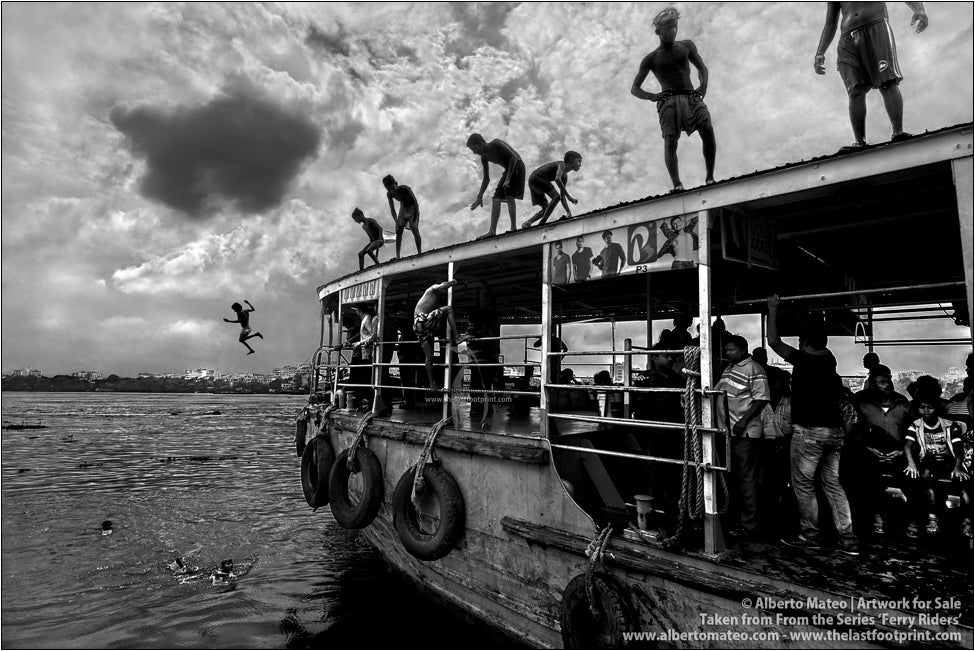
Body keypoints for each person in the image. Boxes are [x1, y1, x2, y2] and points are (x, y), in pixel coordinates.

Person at [767, 295, 859, 555]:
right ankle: (847, 538)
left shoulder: (805, 362)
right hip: (835, 433)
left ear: (804, 343)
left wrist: (773, 309)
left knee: (803, 484)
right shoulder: (830, 362)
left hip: (809, 432)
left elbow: (773, 341)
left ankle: (810, 535)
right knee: (833, 484)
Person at [814, 2, 929, 150]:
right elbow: (830, 24)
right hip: (847, 39)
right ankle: (860, 141)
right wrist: (820, 52)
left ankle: (898, 131)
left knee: (887, 82)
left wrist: (919, 9)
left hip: (876, 27)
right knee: (855, 90)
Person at [630, 7, 716, 192]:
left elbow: (702, 68)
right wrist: (652, 96)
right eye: (668, 27)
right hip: (668, 101)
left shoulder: (686, 46)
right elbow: (634, 88)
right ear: (658, 31)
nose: (673, 31)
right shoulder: (651, 59)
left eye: (675, 26)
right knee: (670, 140)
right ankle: (677, 183)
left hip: (691, 96)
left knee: (707, 129)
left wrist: (704, 85)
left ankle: (710, 177)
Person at [715, 335, 771, 541]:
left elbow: (761, 399)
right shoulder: (729, 369)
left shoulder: (754, 369)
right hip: (728, 434)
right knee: (734, 479)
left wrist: (743, 421)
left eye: (730, 350)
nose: (727, 353)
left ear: (742, 349)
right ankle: (736, 520)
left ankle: (750, 527)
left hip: (744, 434)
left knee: (747, 480)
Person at [850, 364, 911, 536]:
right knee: (865, 479)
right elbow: (855, 432)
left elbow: (912, 432)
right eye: (882, 382)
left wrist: (902, 451)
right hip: (869, 453)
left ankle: (915, 518)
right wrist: (868, 448)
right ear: (872, 385)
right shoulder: (861, 402)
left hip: (899, 454)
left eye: (888, 381)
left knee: (913, 478)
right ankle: (877, 516)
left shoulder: (902, 403)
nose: (887, 385)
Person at [903, 389, 971, 538]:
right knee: (925, 477)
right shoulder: (916, 425)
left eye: (930, 407)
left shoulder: (948, 424)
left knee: (964, 483)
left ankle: (968, 521)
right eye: (922, 407)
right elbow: (907, 445)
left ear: (937, 408)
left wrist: (958, 466)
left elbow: (958, 448)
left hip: (949, 461)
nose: (926, 410)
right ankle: (932, 518)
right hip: (929, 461)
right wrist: (911, 464)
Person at [467, 133, 526, 239]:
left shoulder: (496, 143)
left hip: (517, 164)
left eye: (473, 149)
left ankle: (513, 227)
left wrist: (508, 179)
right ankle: (492, 231)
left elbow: (513, 158)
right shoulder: (484, 158)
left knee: (509, 193)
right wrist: (479, 196)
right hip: (508, 169)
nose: (474, 152)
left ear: (480, 143)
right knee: (496, 198)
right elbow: (486, 178)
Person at [413, 280, 465, 389]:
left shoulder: (428, 299)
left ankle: (432, 383)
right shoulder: (432, 289)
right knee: (449, 309)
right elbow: (441, 286)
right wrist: (453, 282)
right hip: (422, 319)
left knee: (429, 356)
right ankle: (457, 336)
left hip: (418, 325)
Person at [521, 151, 583, 229]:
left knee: (547, 208)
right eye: (579, 161)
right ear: (571, 159)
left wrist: (568, 211)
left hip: (533, 181)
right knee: (556, 197)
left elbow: (562, 197)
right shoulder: (562, 165)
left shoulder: (564, 177)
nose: (580, 164)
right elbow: (557, 179)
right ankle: (542, 223)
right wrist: (569, 197)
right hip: (537, 177)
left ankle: (527, 223)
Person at [383, 175, 422, 258]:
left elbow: (415, 203)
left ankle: (419, 253)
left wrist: (415, 218)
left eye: (393, 188)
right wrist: (396, 222)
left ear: (396, 183)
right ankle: (397, 256)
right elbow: (392, 210)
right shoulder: (389, 194)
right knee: (398, 230)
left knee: (414, 228)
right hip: (403, 209)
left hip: (412, 209)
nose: (392, 190)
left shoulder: (405, 188)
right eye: (389, 189)